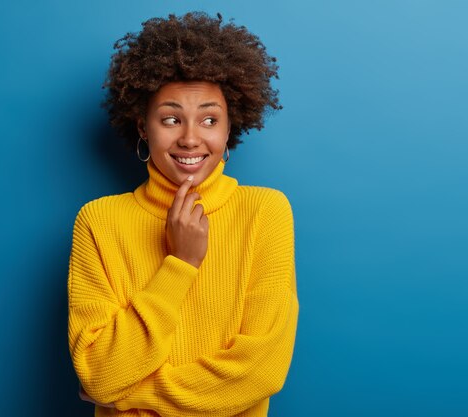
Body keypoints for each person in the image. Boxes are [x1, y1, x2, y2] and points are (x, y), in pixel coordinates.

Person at [67, 11, 299, 417]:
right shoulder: (99, 221)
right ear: (143, 126)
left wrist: (134, 397)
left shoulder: (265, 212)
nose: (190, 138)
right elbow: (99, 374)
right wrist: (180, 264)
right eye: (171, 119)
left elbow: (261, 372)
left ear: (230, 129)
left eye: (210, 119)